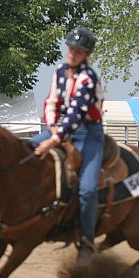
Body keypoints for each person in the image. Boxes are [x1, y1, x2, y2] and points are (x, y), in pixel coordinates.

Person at [30, 27, 104, 265]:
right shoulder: (60, 72)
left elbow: (76, 113)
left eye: (79, 51)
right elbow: (51, 101)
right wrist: (51, 128)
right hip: (60, 128)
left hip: (88, 134)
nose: (73, 53)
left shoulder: (89, 78)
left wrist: (54, 139)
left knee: (88, 189)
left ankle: (88, 242)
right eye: (71, 48)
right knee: (25, 152)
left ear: (86, 54)